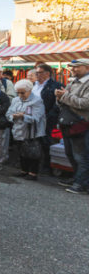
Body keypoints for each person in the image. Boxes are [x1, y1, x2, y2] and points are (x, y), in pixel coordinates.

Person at [56, 59, 89, 194]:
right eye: (72, 67)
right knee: (70, 153)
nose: (73, 70)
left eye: (77, 67)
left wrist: (64, 96)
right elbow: (64, 101)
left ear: (87, 67)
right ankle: (78, 178)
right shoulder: (72, 81)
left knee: (81, 156)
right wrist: (59, 98)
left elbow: (84, 103)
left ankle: (81, 183)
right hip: (68, 123)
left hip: (81, 124)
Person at [6, 79, 46, 180]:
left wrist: (23, 117)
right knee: (21, 151)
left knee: (32, 153)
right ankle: (23, 170)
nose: (20, 95)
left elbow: (37, 117)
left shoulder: (37, 101)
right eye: (18, 92)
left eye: (22, 92)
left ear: (29, 90)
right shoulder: (15, 100)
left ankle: (33, 173)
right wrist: (13, 116)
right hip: (18, 130)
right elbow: (8, 114)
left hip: (32, 131)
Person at [32, 64, 64, 175]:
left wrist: (49, 116)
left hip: (47, 119)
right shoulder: (33, 85)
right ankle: (33, 163)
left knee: (45, 142)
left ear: (47, 73)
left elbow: (59, 104)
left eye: (39, 72)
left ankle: (47, 166)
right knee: (33, 141)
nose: (37, 75)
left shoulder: (56, 85)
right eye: (36, 73)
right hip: (32, 118)